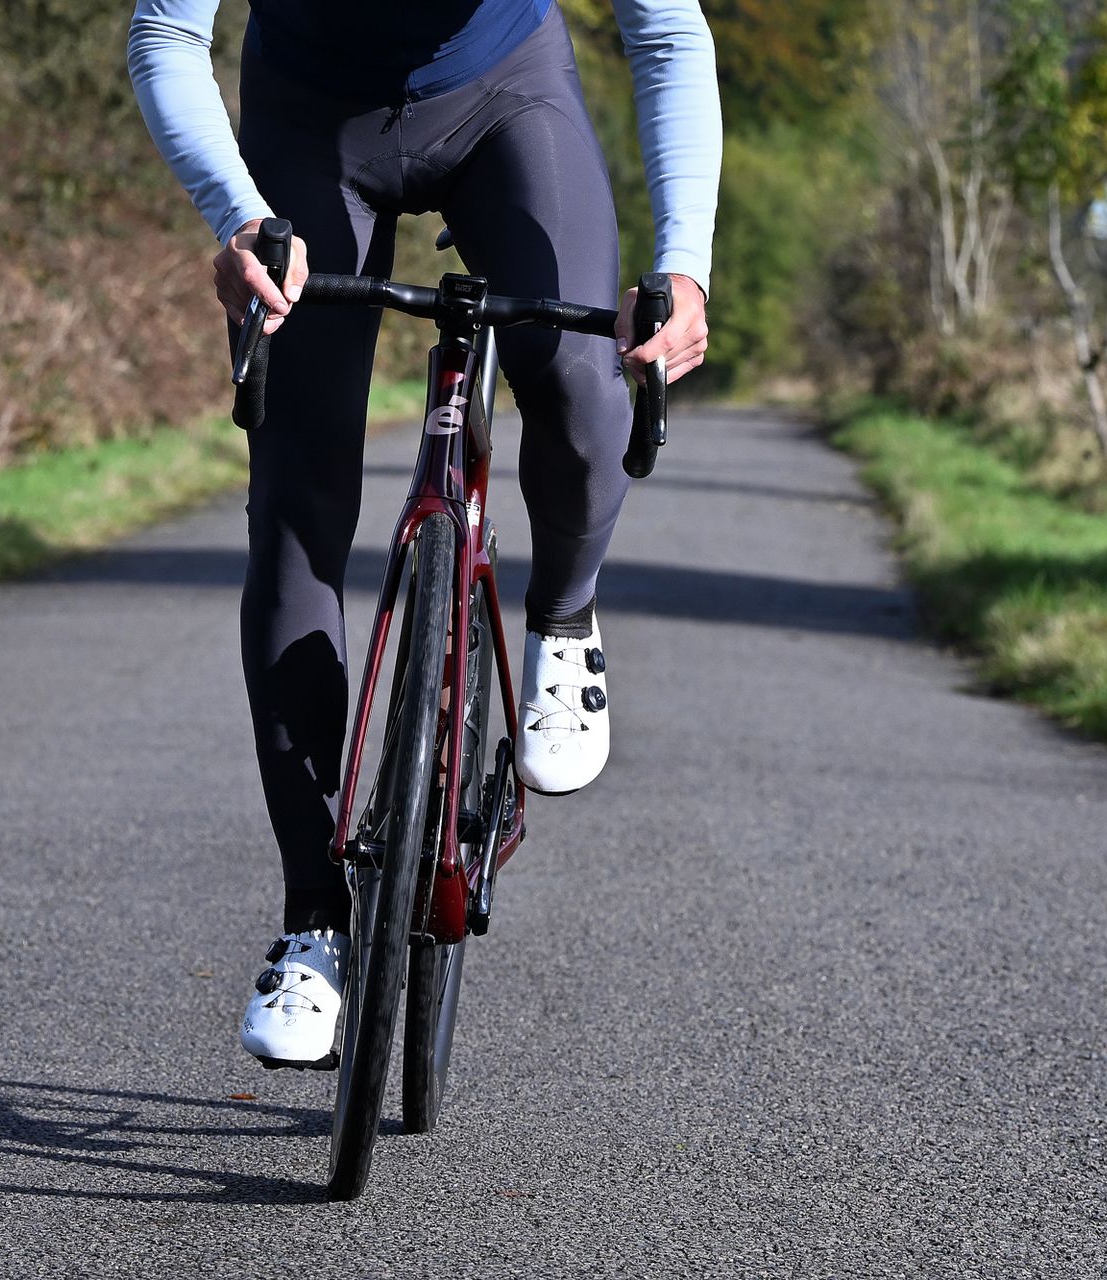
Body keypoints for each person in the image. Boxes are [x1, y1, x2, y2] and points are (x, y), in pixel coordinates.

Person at [127, 0, 720, 1067]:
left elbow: (667, 33)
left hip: (506, 99)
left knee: (582, 383)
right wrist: (235, 216)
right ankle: (314, 921)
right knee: (299, 498)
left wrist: (684, 267)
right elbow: (165, 33)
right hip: (310, 121)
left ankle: (566, 618)